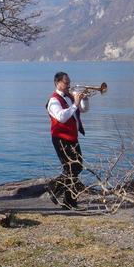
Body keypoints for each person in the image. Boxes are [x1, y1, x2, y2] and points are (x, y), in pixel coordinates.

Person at [46, 72, 89, 209]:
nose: (69, 85)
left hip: (72, 137)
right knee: (70, 168)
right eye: (66, 83)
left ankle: (65, 198)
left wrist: (84, 100)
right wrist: (75, 104)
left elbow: (83, 109)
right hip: (60, 138)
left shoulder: (70, 96)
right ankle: (60, 193)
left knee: (77, 167)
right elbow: (62, 117)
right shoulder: (53, 101)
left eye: (69, 82)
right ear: (57, 83)